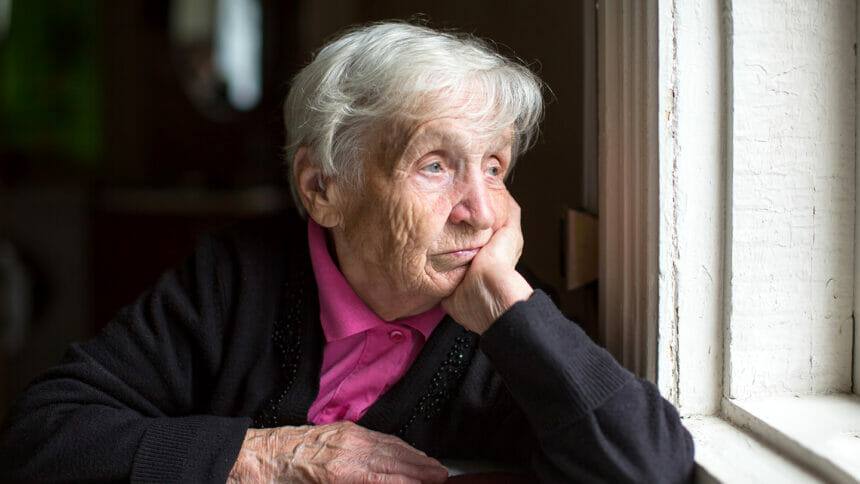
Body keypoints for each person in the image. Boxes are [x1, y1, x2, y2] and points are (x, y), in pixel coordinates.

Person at [0, 21, 694, 483]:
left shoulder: (501, 323)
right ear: (322, 187)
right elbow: (41, 439)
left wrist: (513, 306)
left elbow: (650, 470)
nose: (479, 212)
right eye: (434, 166)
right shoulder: (237, 280)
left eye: (494, 166)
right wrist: (272, 457)